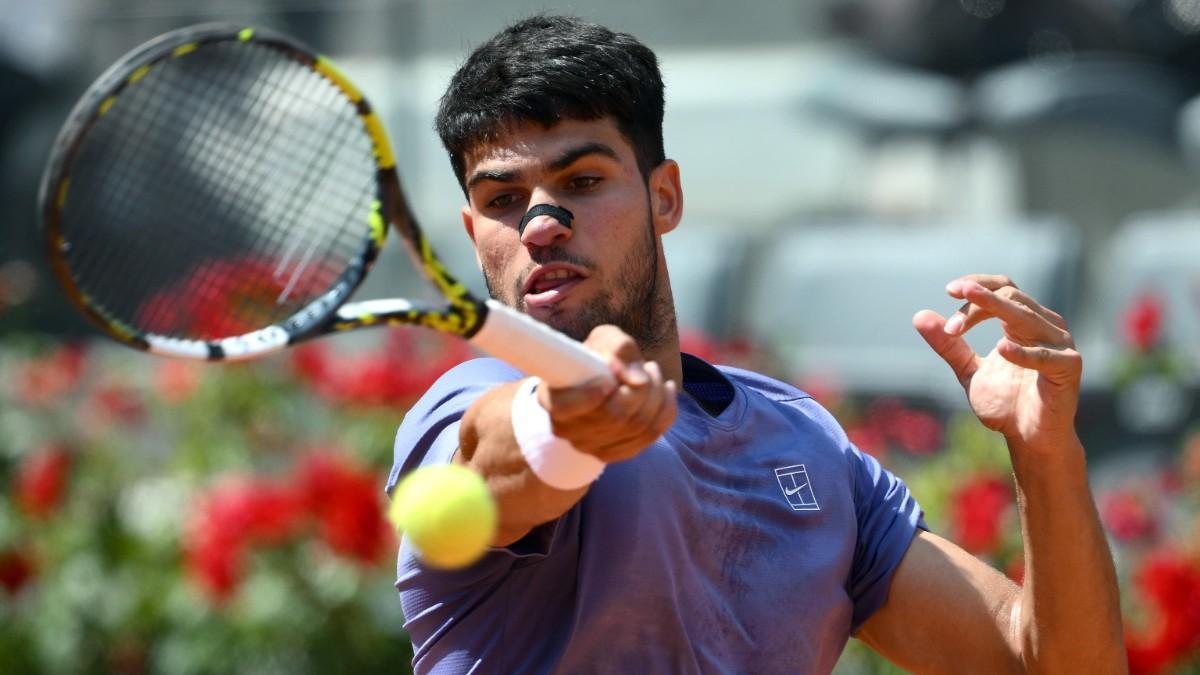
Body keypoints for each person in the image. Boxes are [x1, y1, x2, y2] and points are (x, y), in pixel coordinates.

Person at [388, 14, 1125, 674]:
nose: (540, 223)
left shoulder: (804, 442)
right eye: (502, 200)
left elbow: (1051, 665)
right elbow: (490, 460)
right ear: (472, 234)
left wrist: (1046, 454)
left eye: (581, 179)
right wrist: (568, 420)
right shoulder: (461, 405)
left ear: (664, 196)